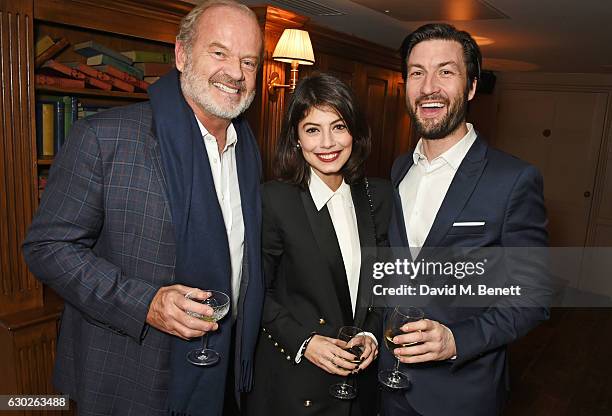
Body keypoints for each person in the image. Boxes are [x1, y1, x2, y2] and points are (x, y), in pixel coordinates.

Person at [21, 1, 264, 415]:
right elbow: (47, 248)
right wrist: (145, 303)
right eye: (219, 52)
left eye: (249, 61)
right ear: (182, 55)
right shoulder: (104, 137)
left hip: (223, 375)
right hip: (127, 378)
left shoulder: (249, 154)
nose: (236, 73)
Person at [381, 23, 550, 416]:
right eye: (417, 73)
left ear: (471, 86)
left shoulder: (513, 180)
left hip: (459, 396)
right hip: (388, 384)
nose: (428, 87)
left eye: (446, 71)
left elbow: (533, 299)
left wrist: (456, 340)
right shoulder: (399, 168)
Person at [245, 73, 392, 415]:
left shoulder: (378, 196)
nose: (327, 142)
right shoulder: (274, 199)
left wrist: (371, 335)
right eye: (312, 129)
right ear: (296, 138)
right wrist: (304, 342)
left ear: (354, 131)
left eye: (338, 126)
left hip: (360, 384)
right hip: (296, 384)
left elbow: (384, 282)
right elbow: (253, 290)